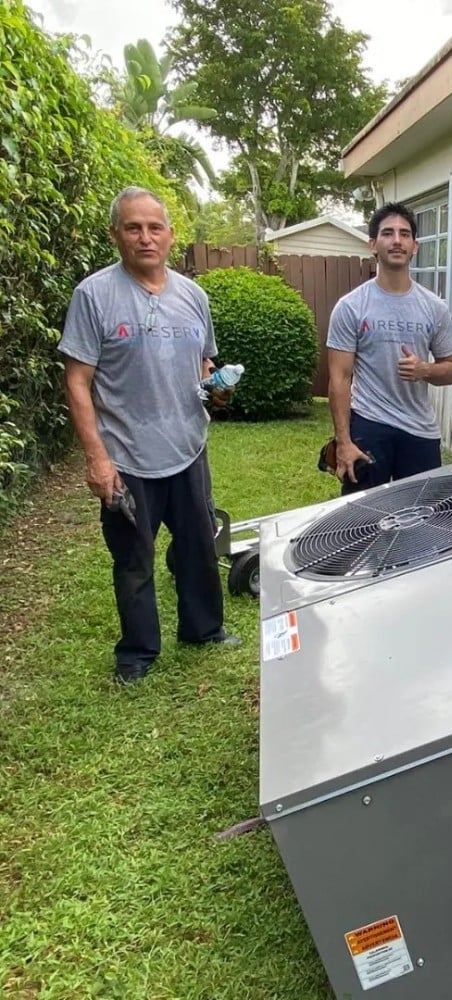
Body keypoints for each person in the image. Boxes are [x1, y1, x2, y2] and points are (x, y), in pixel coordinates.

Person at [59, 186, 239, 685]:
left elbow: (203, 363)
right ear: (116, 234)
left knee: (199, 543)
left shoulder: (193, 296)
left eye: (154, 227)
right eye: (133, 228)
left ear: (170, 235)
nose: (145, 237)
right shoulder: (93, 295)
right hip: (127, 454)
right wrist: (97, 459)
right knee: (133, 558)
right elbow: (77, 380)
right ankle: (137, 652)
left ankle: (203, 629)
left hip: (187, 446)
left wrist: (215, 388)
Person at [327, 202, 452, 492]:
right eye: (388, 233)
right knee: (360, 521)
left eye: (405, 234)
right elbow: (339, 379)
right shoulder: (351, 307)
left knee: (421, 520)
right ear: (373, 245)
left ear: (415, 246)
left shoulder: (435, 308)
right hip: (369, 425)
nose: (397, 240)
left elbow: (451, 370)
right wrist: (343, 442)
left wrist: (424, 369)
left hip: (419, 430)